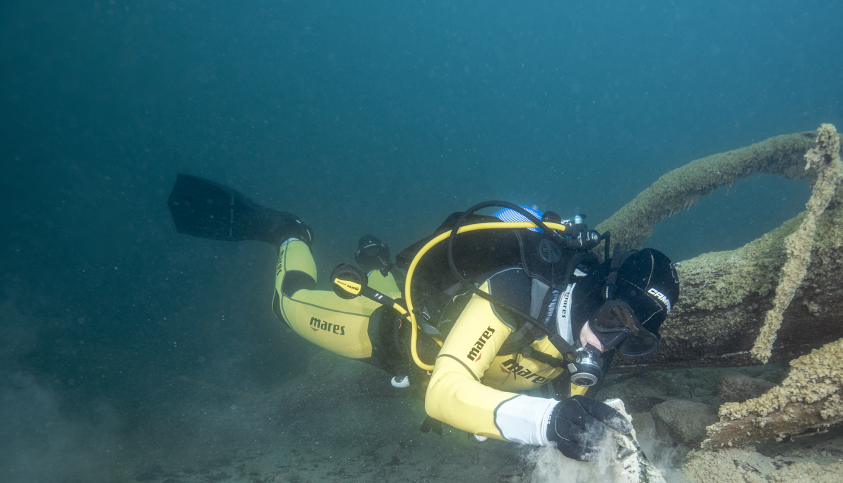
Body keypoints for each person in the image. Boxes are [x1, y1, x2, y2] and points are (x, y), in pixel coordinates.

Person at [167, 175, 679, 461]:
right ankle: (288, 231)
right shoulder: (516, 291)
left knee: (400, 285)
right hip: (379, 329)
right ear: (598, 292)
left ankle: (378, 262)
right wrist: (549, 422)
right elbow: (443, 393)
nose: (608, 345)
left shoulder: (599, 339)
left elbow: (567, 402)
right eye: (613, 319)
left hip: (431, 317)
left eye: (633, 342)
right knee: (290, 302)